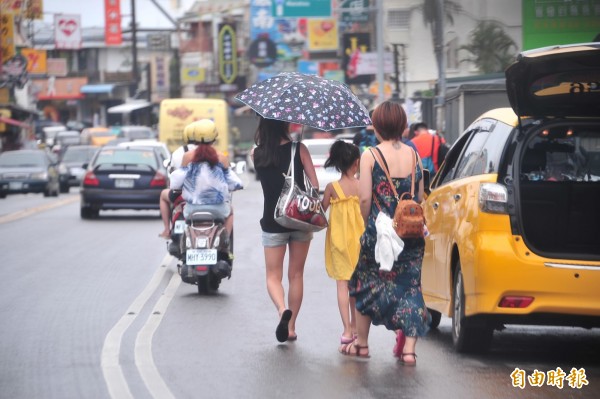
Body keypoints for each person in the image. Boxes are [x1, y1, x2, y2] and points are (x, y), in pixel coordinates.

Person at [343, 100, 430, 365]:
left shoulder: (370, 154)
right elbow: (419, 196)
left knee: (365, 285)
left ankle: (363, 344)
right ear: (403, 125)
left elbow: (365, 199)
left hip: (379, 233)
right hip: (410, 234)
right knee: (410, 287)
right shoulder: (413, 155)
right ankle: (409, 351)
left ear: (378, 125)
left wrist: (367, 223)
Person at [252, 116, 318, 343]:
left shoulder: (257, 154)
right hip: (300, 217)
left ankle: (281, 310)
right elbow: (315, 186)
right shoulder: (299, 149)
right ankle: (290, 327)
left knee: (273, 275)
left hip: (273, 220)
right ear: (284, 124)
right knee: (296, 274)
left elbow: (267, 183)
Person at [321, 140, 364, 347]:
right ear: (356, 163)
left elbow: (320, 212)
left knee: (342, 285)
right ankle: (356, 327)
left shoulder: (332, 188)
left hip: (338, 242)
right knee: (356, 285)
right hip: (360, 242)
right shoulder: (362, 185)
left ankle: (346, 330)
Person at [169, 119, 243, 238]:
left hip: (192, 210)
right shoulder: (221, 157)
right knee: (230, 211)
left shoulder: (187, 156)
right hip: (218, 210)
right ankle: (225, 240)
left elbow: (176, 182)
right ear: (214, 137)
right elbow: (235, 183)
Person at [158, 141, 197, 238]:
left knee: (164, 194)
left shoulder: (181, 153)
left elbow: (175, 181)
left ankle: (167, 230)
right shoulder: (216, 155)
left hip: (183, 195)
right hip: (209, 198)